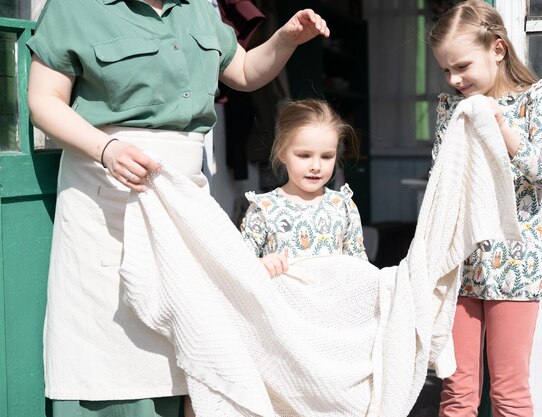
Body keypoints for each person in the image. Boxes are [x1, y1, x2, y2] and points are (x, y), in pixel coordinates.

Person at [26, 0, 329, 415]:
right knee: (110, 351)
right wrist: (106, 149)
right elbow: (44, 101)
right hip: (106, 194)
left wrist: (286, 39)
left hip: (186, 200)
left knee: (196, 351)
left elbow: (241, 71)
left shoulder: (200, 7)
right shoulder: (74, 7)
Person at [428, 1, 542, 416]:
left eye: (463, 66)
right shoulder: (451, 108)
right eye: (446, 70)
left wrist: (502, 129)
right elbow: (444, 180)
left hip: (516, 266)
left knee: (508, 392)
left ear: (498, 49)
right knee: (456, 391)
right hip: (461, 265)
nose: (455, 79)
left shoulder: (535, 100)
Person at [240, 99, 368, 277]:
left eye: (326, 156)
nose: (316, 165)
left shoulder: (343, 206)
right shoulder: (263, 209)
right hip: (282, 304)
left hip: (332, 303)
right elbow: (241, 267)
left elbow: (360, 268)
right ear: (282, 152)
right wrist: (261, 264)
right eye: (304, 155)